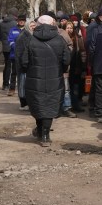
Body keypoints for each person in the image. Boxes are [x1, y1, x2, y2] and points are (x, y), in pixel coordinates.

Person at [21, 15, 70, 147]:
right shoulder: (60, 40)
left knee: (38, 104)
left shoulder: (30, 40)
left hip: (34, 79)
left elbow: (24, 62)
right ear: (52, 24)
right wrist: (62, 69)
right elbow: (67, 60)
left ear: (38, 25)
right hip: (55, 78)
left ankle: (40, 131)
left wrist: (29, 71)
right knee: (49, 105)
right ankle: (45, 136)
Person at [6, 16, 26, 97]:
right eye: (20, 20)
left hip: (25, 55)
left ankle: (23, 89)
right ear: (17, 21)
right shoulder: (13, 30)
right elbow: (10, 41)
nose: (21, 22)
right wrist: (17, 48)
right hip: (14, 55)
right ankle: (12, 89)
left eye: (23, 20)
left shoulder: (27, 30)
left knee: (24, 74)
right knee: (14, 73)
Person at [0, 14, 18, 91]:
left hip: (5, 48)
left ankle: (5, 84)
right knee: (15, 66)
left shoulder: (2, 23)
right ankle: (14, 84)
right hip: (14, 47)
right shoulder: (15, 23)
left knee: (7, 66)